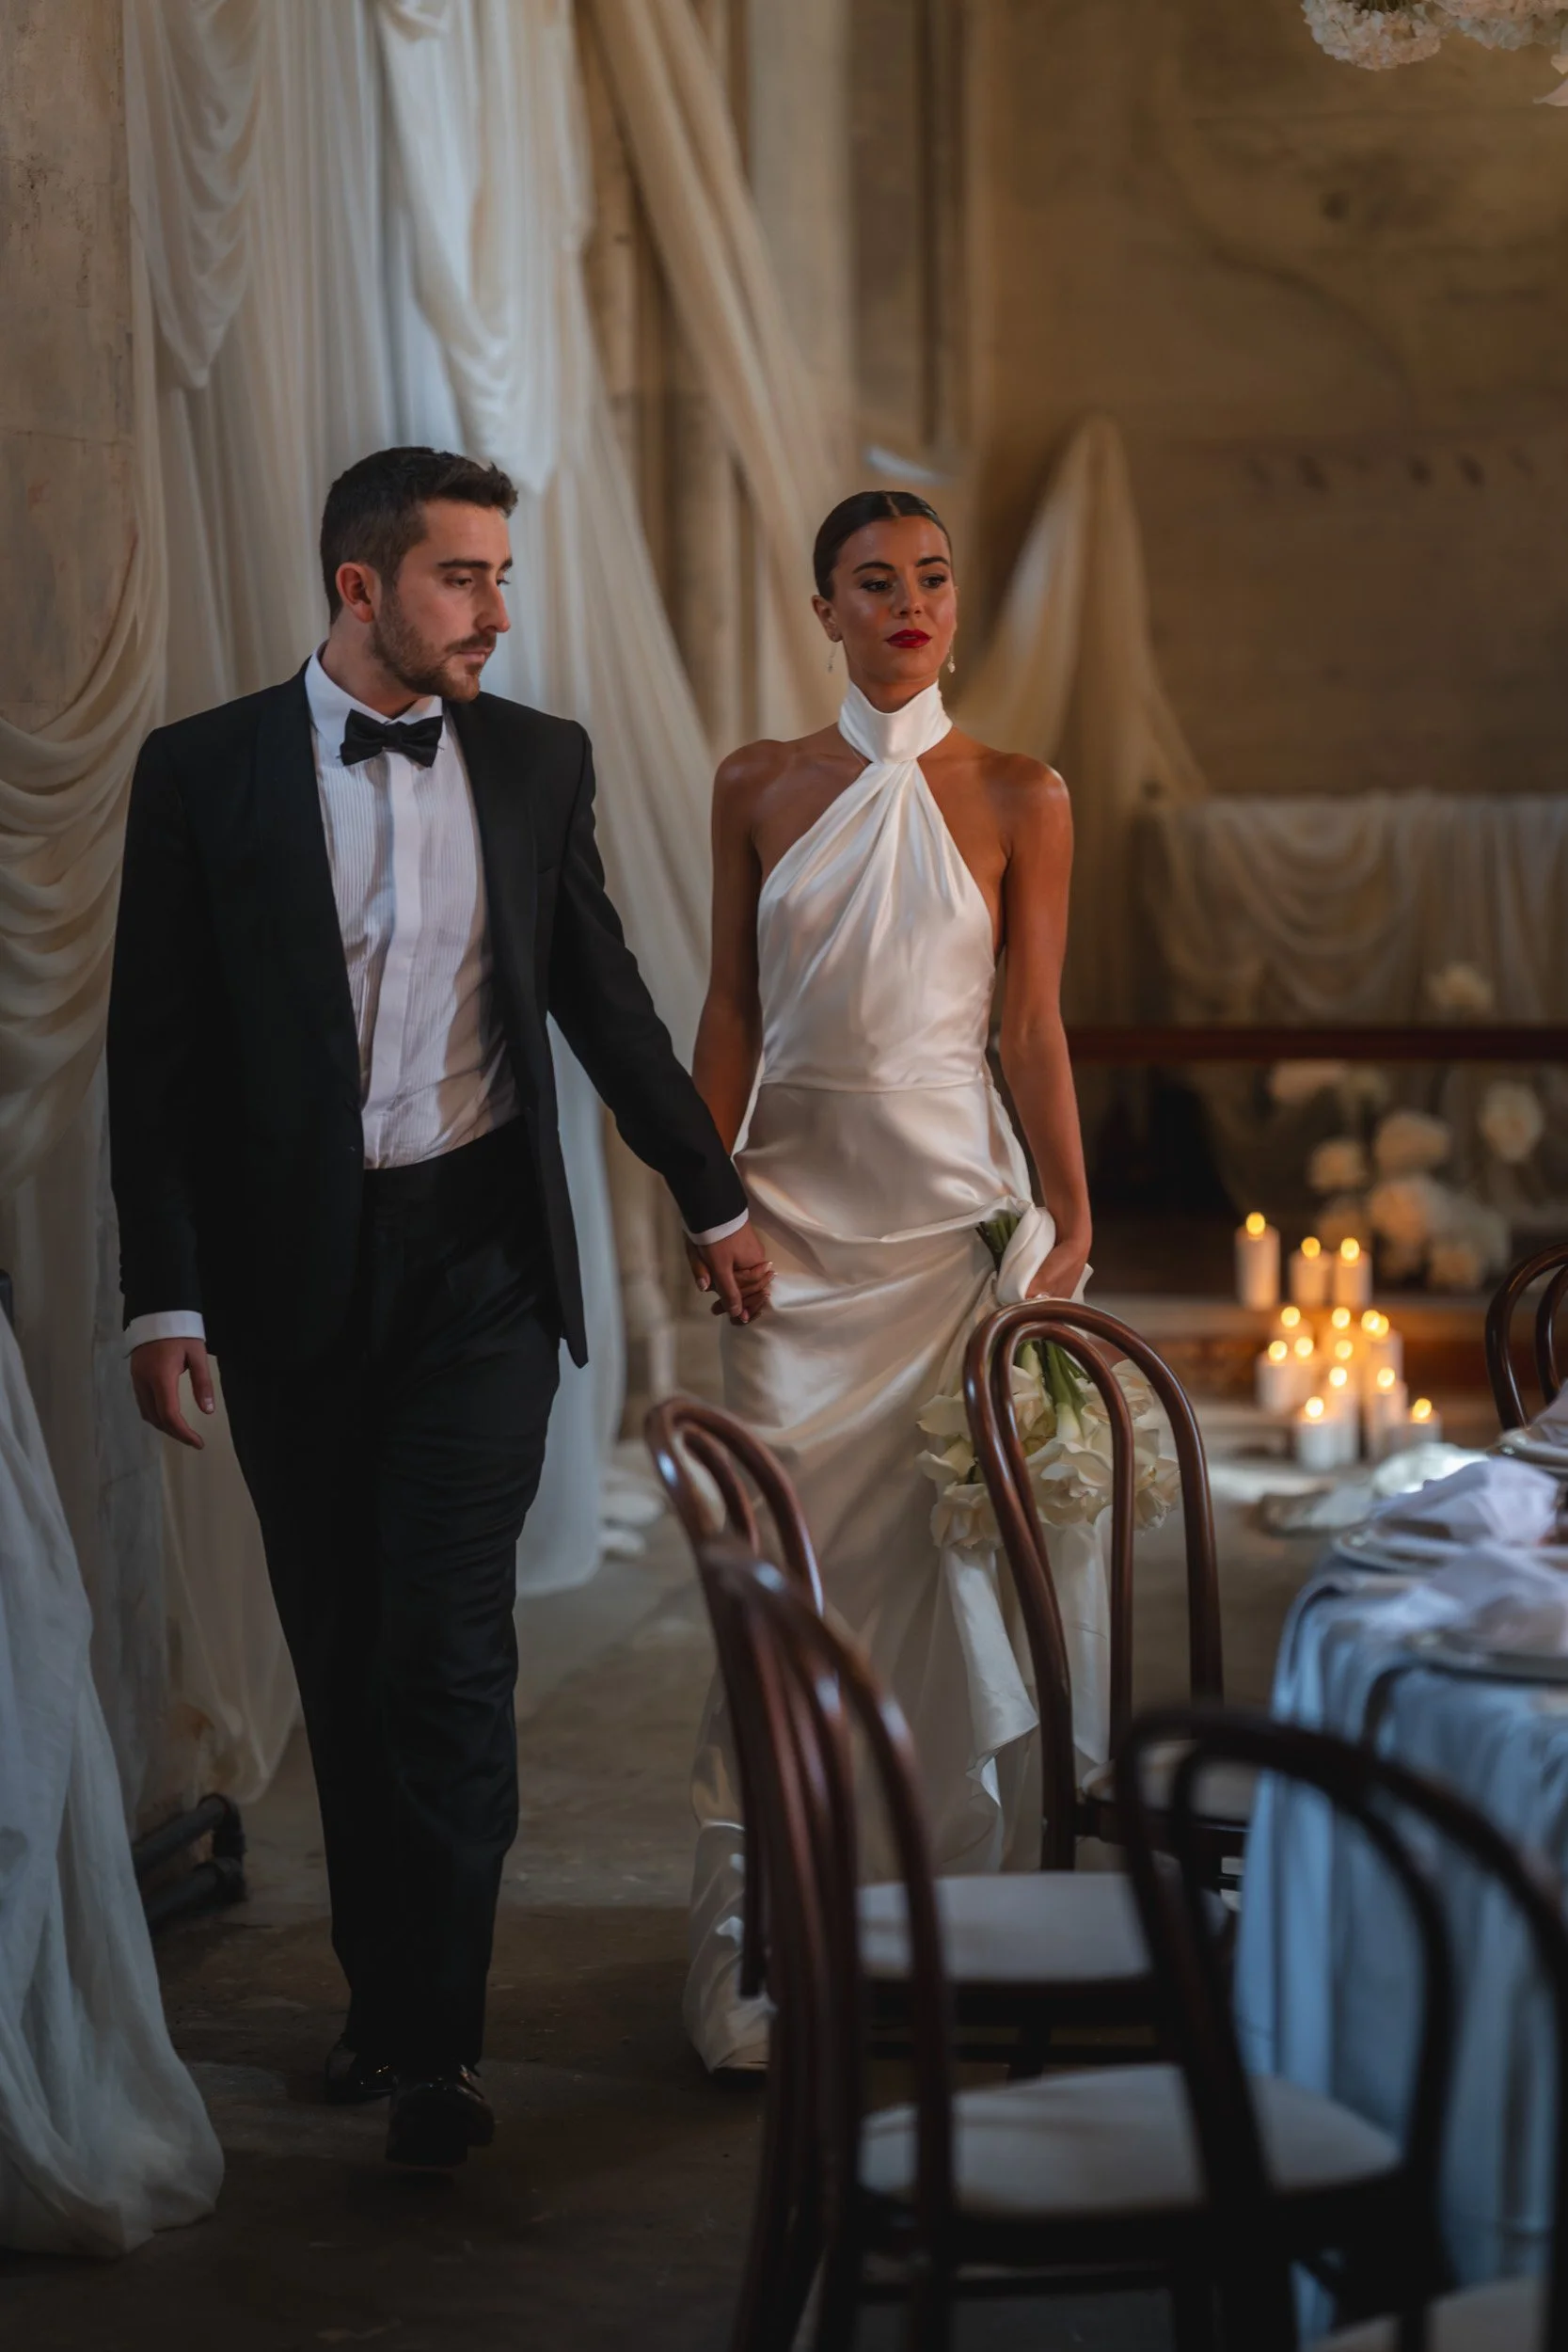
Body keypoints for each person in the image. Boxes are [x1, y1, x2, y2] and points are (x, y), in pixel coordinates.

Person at [107, 445, 772, 2167]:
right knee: (345, 1651)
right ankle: (380, 1996)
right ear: (359, 587)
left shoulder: (539, 760)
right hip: (293, 1283)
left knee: (452, 1651)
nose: (495, 608)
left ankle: (432, 2049)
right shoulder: (202, 774)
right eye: (461, 577)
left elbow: (607, 1004)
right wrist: (160, 1299)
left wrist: (712, 1197)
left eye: (498, 574)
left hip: (481, 1268)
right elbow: (156, 1064)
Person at [684, 488, 1092, 2069]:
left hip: (947, 1227)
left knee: (944, 1588)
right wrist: (701, 1197)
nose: (910, 603)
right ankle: (764, 1946)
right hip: (787, 1227)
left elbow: (1033, 1028)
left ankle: (945, 1928)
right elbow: (728, 1007)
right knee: (778, 1575)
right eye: (874, 581)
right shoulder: (755, 783)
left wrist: (1068, 1213)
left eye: (930, 578)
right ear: (823, 609)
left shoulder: (1018, 791)